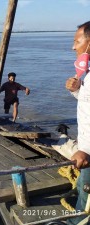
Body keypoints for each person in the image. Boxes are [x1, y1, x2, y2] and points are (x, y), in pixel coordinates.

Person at [65, 21, 90, 225]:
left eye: (77, 41)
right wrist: (76, 89)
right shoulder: (88, 74)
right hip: (86, 152)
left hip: (88, 155)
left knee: (86, 205)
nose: (73, 47)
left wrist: (87, 151)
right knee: (83, 191)